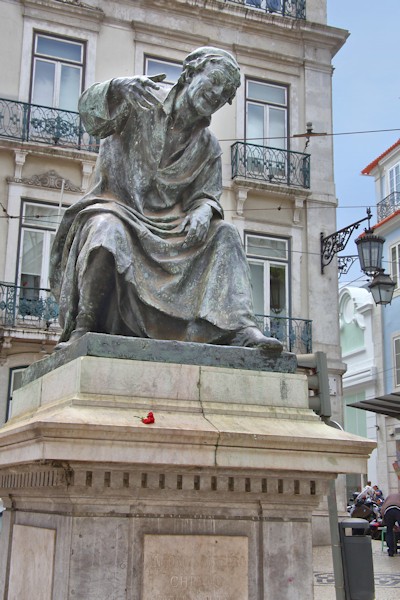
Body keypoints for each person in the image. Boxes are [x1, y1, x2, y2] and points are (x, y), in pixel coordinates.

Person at [49, 47, 282, 353]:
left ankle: (239, 327)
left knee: (224, 233)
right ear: (191, 73)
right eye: (213, 81)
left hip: (170, 229)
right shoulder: (140, 102)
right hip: (118, 208)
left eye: (224, 92)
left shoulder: (208, 145)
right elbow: (91, 119)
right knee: (106, 230)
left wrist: (203, 209)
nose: (215, 94)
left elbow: (207, 194)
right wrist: (116, 89)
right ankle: (85, 326)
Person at [381, 492, 400, 556]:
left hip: (387, 511)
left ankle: (391, 551)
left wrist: (392, 525)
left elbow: (382, 511)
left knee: (389, 531)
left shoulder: (389, 497)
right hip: (398, 509)